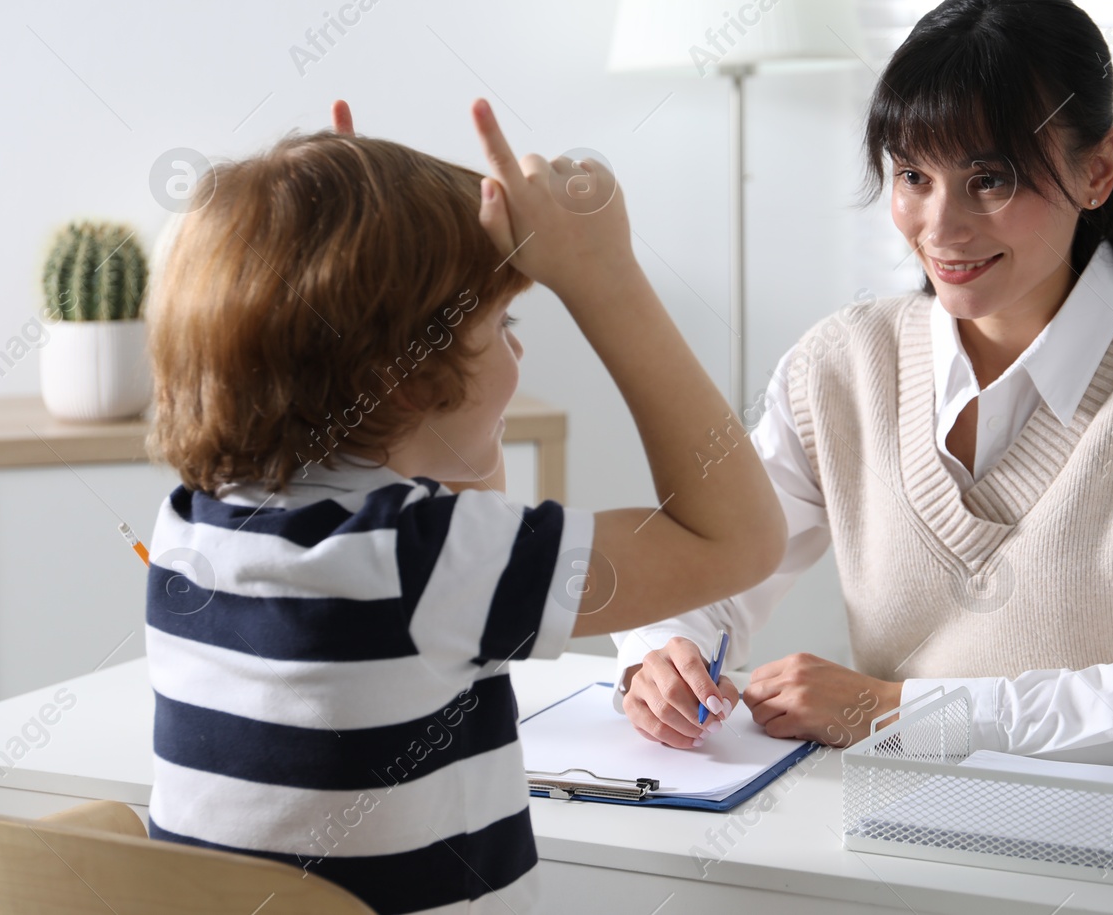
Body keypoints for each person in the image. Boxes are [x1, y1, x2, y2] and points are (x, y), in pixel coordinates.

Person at [615, 0, 1113, 771]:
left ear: (1098, 170)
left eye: (991, 179)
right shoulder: (840, 367)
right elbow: (714, 561)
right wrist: (664, 653)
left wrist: (897, 710)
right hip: (893, 841)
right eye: (913, 176)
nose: (941, 228)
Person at [143, 99, 786, 914]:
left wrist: (346, 267)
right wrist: (605, 277)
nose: (517, 349)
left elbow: (449, 502)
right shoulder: (428, 563)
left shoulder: (194, 523)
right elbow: (740, 537)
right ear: (410, 373)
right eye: (502, 321)